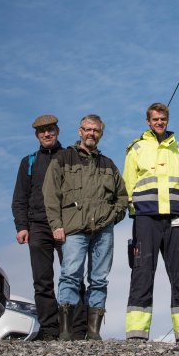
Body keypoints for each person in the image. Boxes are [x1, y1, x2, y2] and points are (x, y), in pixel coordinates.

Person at [43, 114, 128, 341]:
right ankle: (66, 332)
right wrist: (56, 225)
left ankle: (93, 332)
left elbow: (123, 198)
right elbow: (51, 195)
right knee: (70, 276)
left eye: (96, 130)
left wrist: (112, 217)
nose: (91, 133)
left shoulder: (109, 164)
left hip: (103, 231)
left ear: (100, 134)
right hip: (73, 229)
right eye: (87, 129)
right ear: (80, 131)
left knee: (99, 279)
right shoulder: (63, 159)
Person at [123, 103, 179, 343]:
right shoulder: (136, 148)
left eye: (163, 118)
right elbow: (128, 184)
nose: (159, 122)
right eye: (155, 119)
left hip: (175, 217)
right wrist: (137, 212)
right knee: (142, 273)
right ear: (148, 121)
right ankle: (137, 334)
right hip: (146, 218)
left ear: (167, 119)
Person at [11, 115, 85, 340]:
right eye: (42, 131)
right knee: (42, 281)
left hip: (68, 225)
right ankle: (50, 330)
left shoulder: (71, 156)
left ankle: (78, 330)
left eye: (50, 130)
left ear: (57, 131)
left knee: (73, 277)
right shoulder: (29, 162)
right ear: (37, 135)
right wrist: (22, 226)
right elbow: (20, 197)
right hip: (38, 227)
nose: (46, 134)